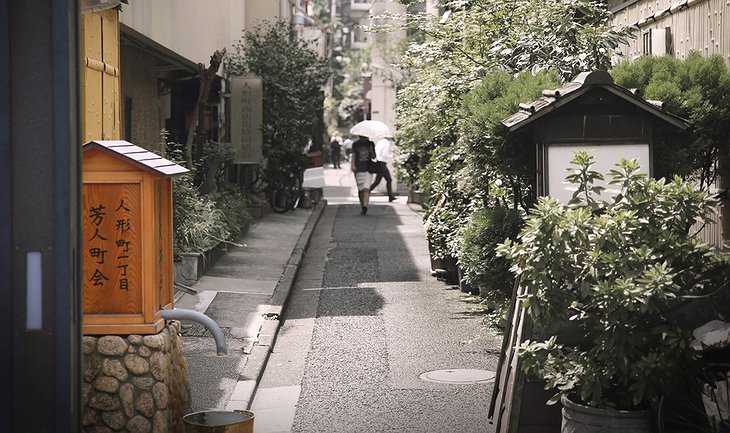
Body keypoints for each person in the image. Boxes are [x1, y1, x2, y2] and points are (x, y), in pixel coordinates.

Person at [351, 135, 376, 215]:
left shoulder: (370, 144)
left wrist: (371, 150)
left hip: (368, 168)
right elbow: (354, 155)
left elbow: (374, 156)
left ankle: (365, 206)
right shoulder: (355, 144)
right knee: (361, 189)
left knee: (366, 188)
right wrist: (353, 165)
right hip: (358, 168)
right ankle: (362, 205)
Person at [370, 136, 396, 202]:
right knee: (386, 180)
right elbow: (385, 154)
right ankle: (390, 196)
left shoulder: (380, 142)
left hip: (379, 162)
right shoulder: (386, 144)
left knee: (380, 181)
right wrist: (392, 156)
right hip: (382, 163)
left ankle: (390, 196)